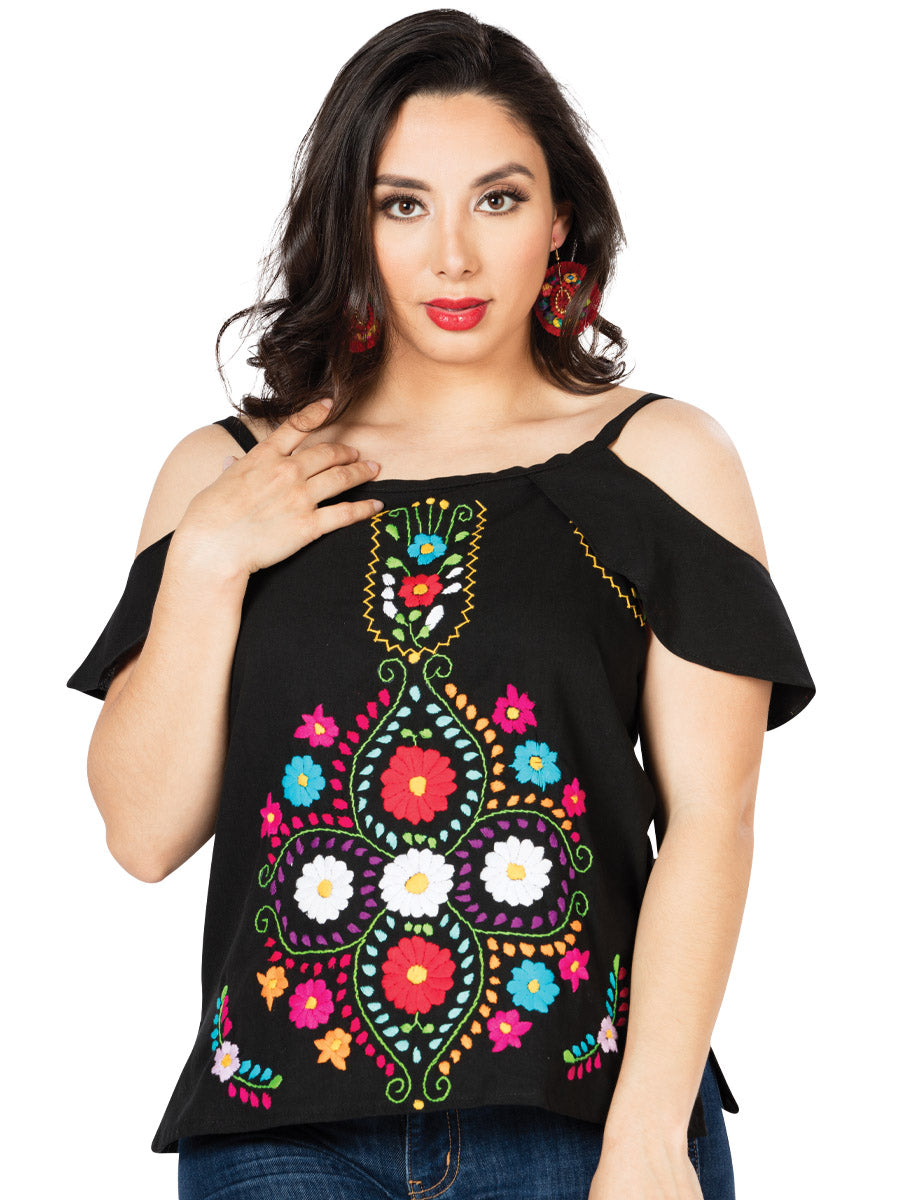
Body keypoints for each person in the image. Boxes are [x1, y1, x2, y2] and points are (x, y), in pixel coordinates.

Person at [67, 10, 815, 1199]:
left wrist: (646, 1138)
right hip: (279, 1133)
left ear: (559, 219)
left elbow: (711, 822)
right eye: (402, 204)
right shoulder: (228, 476)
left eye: (498, 200)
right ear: (349, 223)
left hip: (584, 1123)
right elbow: (143, 834)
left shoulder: (664, 459)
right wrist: (207, 557)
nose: (453, 256)